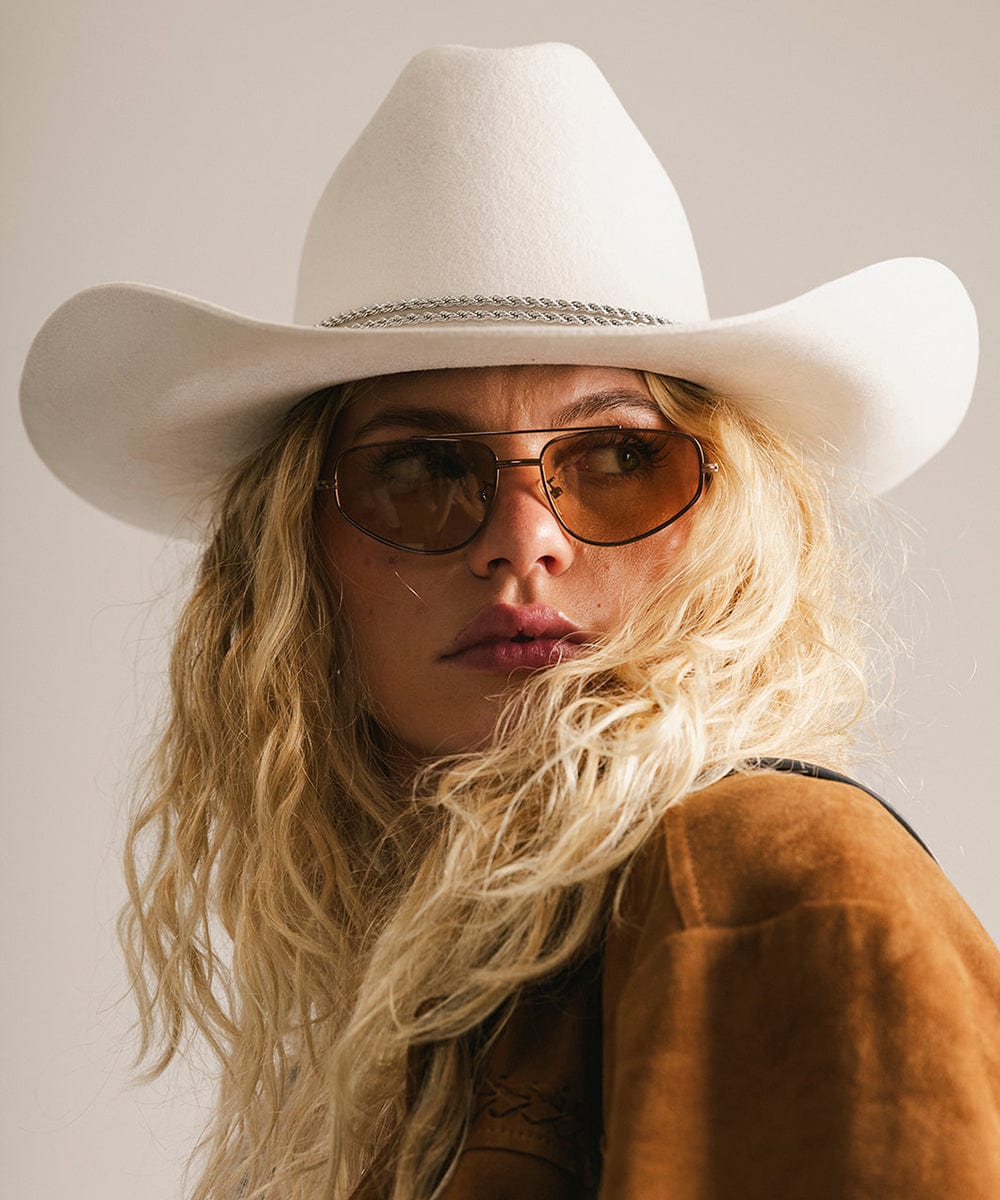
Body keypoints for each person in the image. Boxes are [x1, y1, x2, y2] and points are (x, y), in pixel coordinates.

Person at [19, 42, 1000, 1200]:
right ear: (295, 557)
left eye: (619, 458)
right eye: (423, 467)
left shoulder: (761, 879)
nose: (522, 537)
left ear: (731, 522)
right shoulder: (448, 1024)